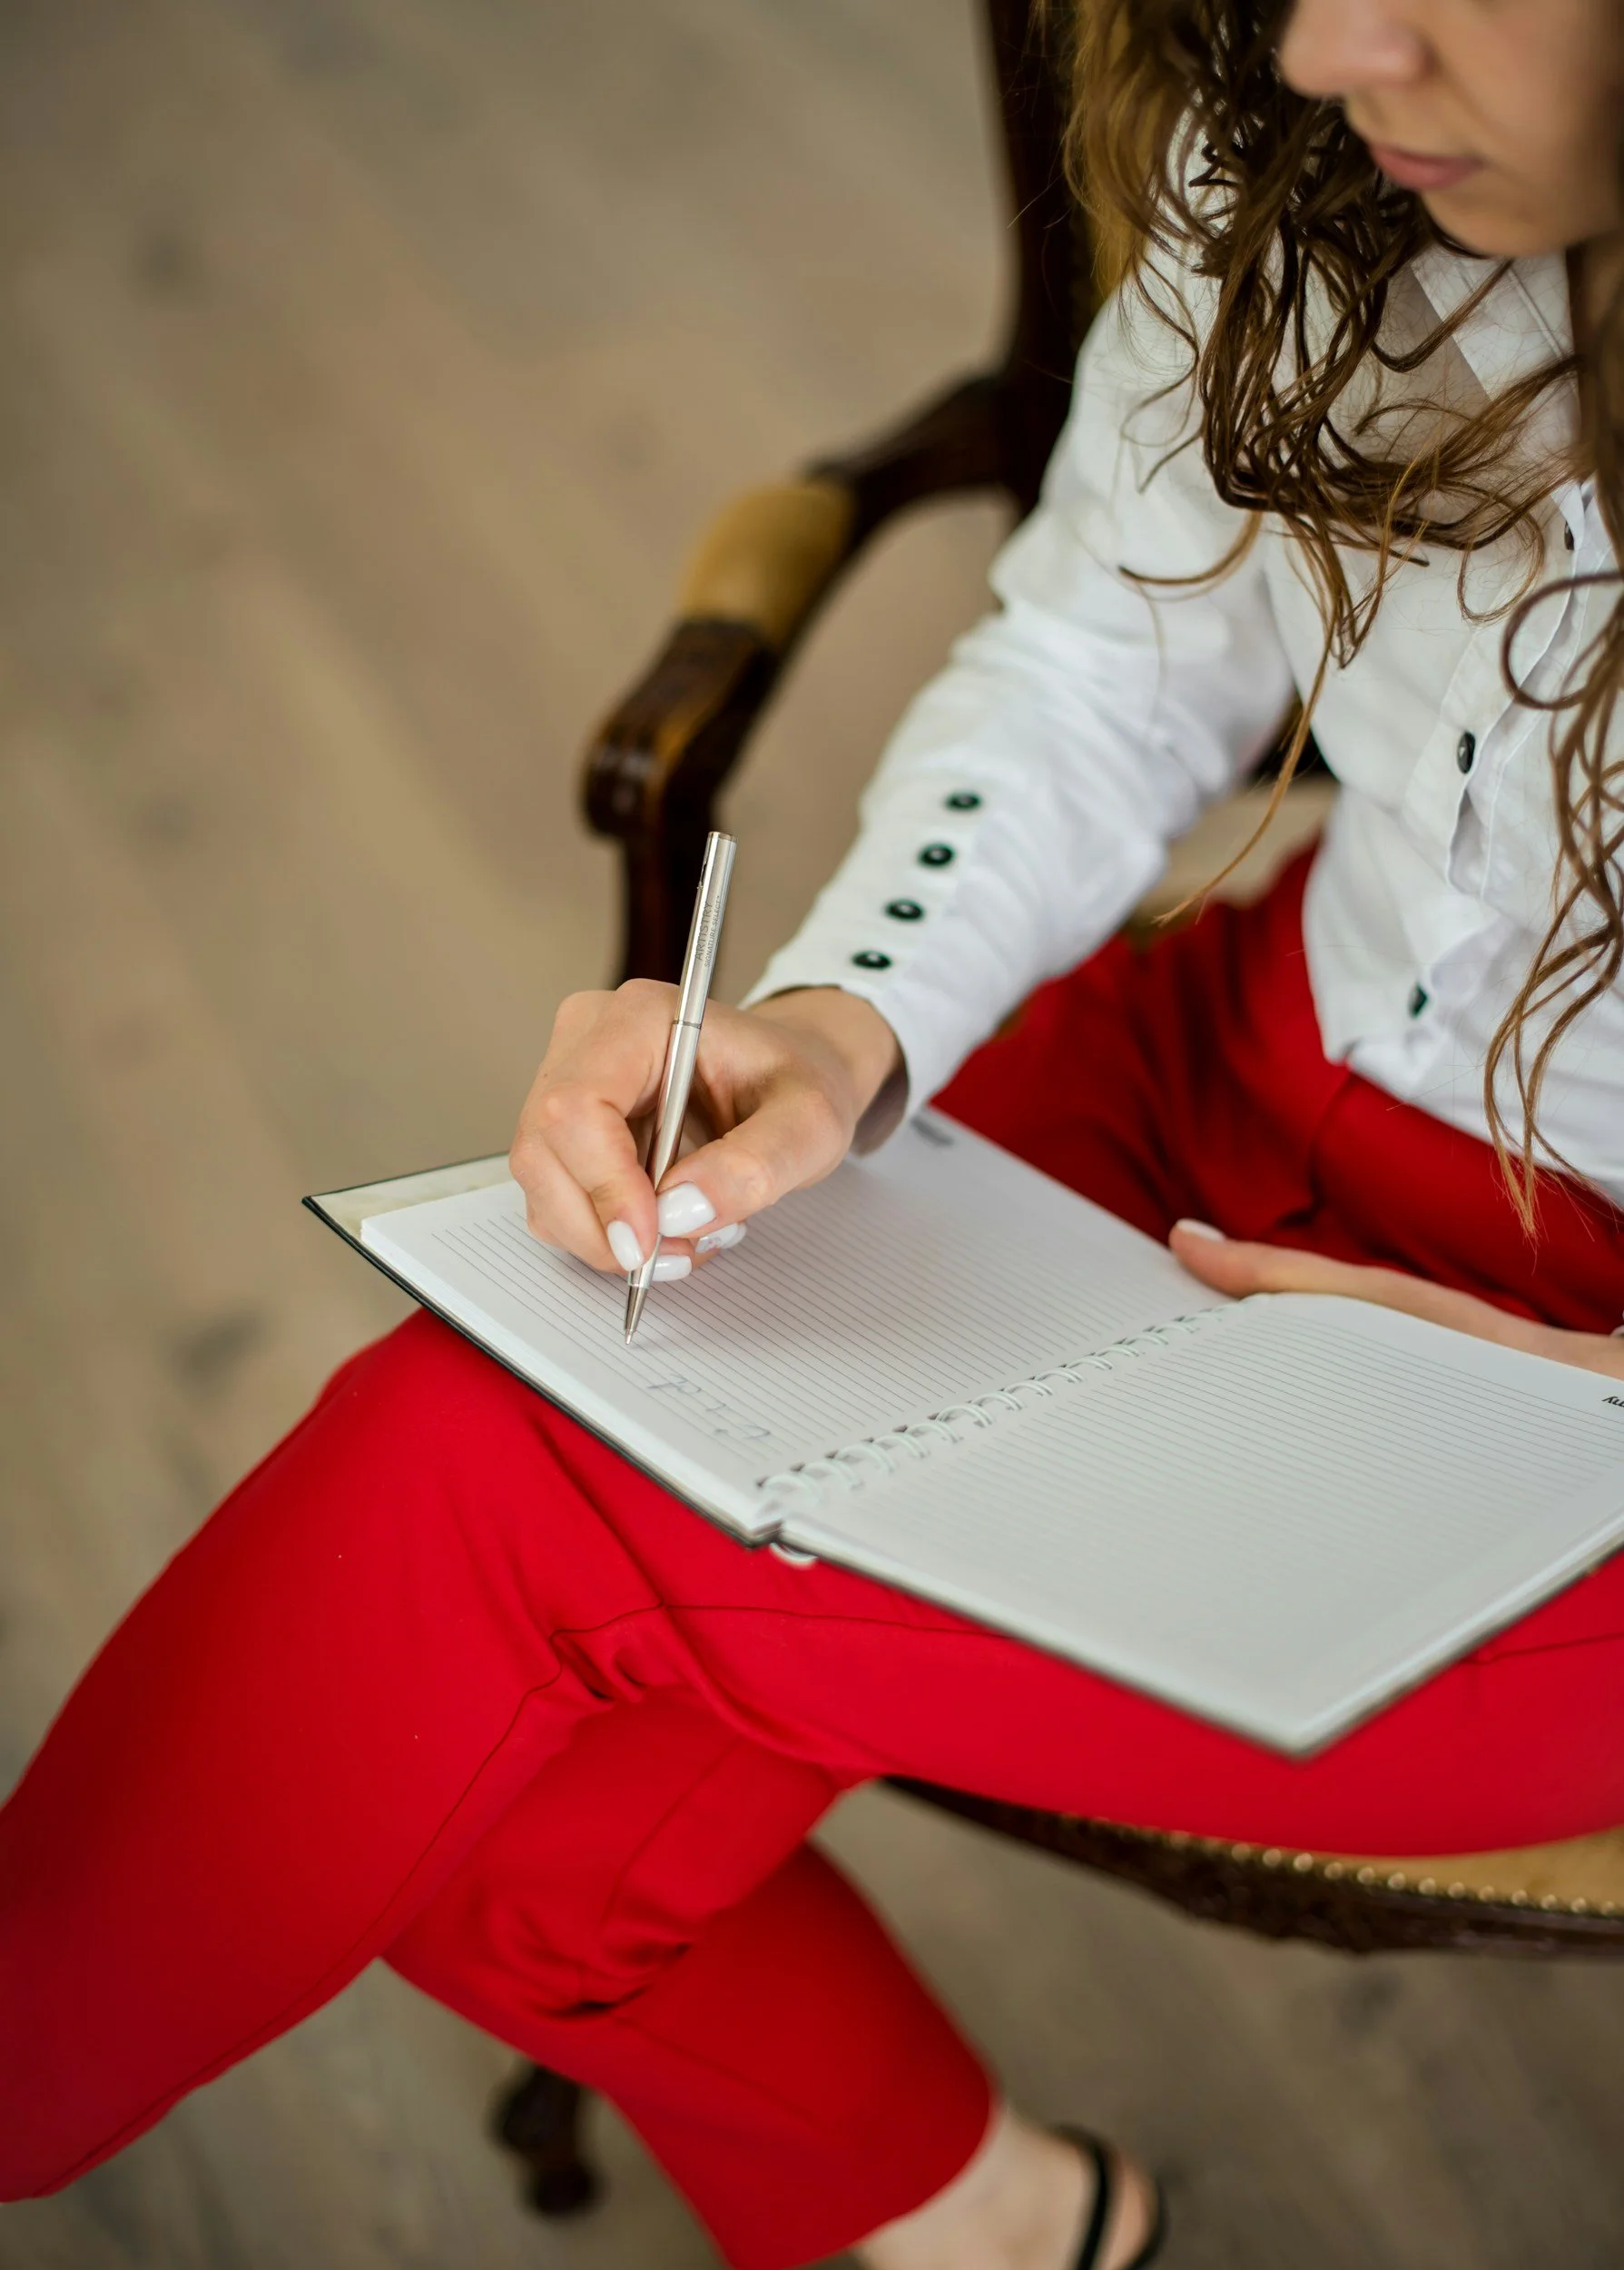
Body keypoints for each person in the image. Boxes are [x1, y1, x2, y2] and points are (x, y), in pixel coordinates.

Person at [5, 1, 1624, 2265]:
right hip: (1231, 1073)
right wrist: (849, 1019)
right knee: (502, 1807)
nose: (1336, 40)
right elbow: (1100, 656)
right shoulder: (1319, 132)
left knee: (481, 1520)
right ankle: (984, 2216)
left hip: (1586, 1422)